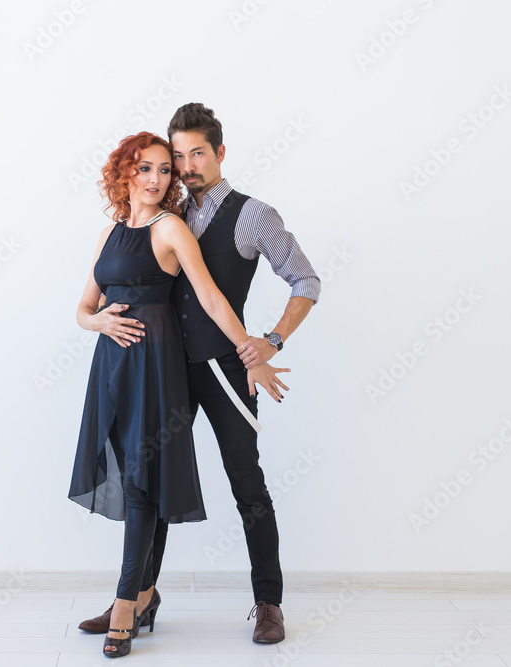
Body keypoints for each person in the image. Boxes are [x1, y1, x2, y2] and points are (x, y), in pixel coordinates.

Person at [78, 103, 320, 644]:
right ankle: (139, 596)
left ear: (220, 153)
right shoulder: (165, 210)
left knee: (247, 483)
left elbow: (305, 281)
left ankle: (269, 602)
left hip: (226, 368)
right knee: (149, 478)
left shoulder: (254, 215)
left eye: (197, 154)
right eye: (177, 157)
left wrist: (269, 342)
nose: (185, 167)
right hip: (162, 369)